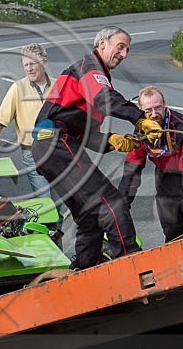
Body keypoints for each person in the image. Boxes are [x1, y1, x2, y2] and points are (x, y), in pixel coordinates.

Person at [31, 26, 162, 270]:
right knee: (112, 202)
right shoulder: (91, 67)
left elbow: (86, 134)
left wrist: (113, 140)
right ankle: (132, 263)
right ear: (102, 43)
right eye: (120, 46)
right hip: (55, 144)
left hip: (50, 148)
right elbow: (105, 99)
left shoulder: (92, 73)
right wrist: (139, 117)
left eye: (127, 50)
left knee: (89, 216)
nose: (124, 54)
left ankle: (83, 271)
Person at [0, 43, 67, 214]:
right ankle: (46, 236)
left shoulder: (59, 86)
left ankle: (55, 238)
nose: (29, 68)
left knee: (58, 204)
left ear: (44, 62)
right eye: (26, 64)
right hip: (32, 154)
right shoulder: (17, 88)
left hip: (59, 153)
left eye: (33, 63)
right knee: (46, 204)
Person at [119, 86, 183, 243]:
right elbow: (132, 168)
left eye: (158, 108)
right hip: (166, 173)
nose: (155, 114)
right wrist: (122, 205)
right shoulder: (142, 130)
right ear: (140, 110)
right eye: (149, 110)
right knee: (171, 228)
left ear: (165, 104)